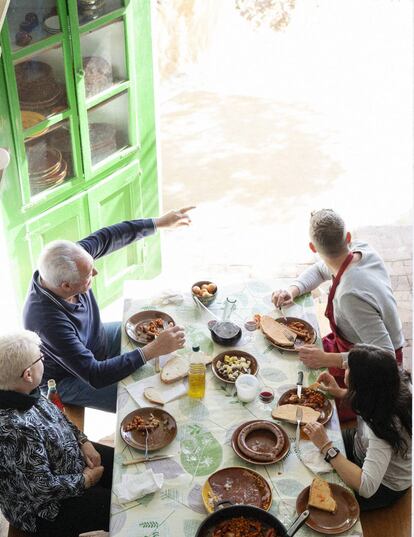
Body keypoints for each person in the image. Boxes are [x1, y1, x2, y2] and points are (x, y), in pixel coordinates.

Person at [23, 208, 193, 412]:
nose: (95, 272)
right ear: (66, 286)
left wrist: (158, 223)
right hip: (71, 378)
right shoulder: (46, 321)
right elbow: (95, 374)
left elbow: (107, 236)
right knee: (148, 398)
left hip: (96, 341)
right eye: (89, 276)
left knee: (148, 331)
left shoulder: (71, 260)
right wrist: (152, 350)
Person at [0, 330, 113, 536]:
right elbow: (41, 489)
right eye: (40, 358)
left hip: (70, 462)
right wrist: (86, 480)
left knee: (123, 463)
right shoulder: (15, 431)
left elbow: (59, 417)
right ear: (28, 374)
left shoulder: (23, 391)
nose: (44, 360)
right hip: (47, 509)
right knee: (118, 506)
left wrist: (83, 441)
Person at [271, 209, 404, 374]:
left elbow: (386, 356)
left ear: (312, 247)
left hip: (377, 367)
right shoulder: (362, 249)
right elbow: (320, 270)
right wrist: (293, 290)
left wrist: (326, 359)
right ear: (348, 237)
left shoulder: (350, 296)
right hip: (354, 345)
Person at [303, 344, 411, 511]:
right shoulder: (389, 386)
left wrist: (327, 447)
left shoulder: (382, 428)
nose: (344, 367)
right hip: (361, 445)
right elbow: (370, 393)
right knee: (307, 448)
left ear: (363, 386)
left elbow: (367, 487)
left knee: (319, 502)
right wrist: (340, 391)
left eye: (348, 368)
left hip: (383, 485)